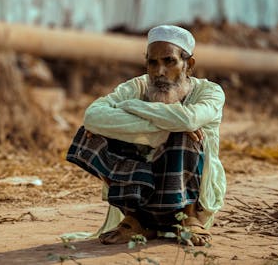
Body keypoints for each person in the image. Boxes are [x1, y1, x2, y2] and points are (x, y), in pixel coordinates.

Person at [66, 25, 226, 246]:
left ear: (188, 65)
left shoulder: (210, 92)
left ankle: (188, 217)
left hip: (188, 193)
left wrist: (129, 107)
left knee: (184, 133)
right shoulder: (138, 86)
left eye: (169, 61)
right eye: (153, 62)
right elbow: (92, 116)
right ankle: (136, 220)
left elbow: (189, 120)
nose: (159, 71)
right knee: (90, 135)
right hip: (142, 191)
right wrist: (163, 124)